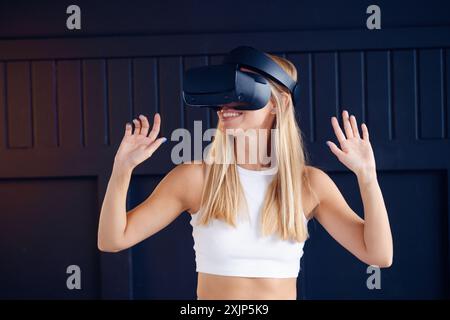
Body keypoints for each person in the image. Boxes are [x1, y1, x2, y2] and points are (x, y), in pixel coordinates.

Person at [97, 52, 393, 300]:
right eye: (224, 95)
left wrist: (367, 178)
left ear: (278, 104)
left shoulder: (309, 185)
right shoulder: (196, 179)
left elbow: (379, 255)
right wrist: (121, 170)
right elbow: (112, 240)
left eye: (242, 93)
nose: (226, 105)